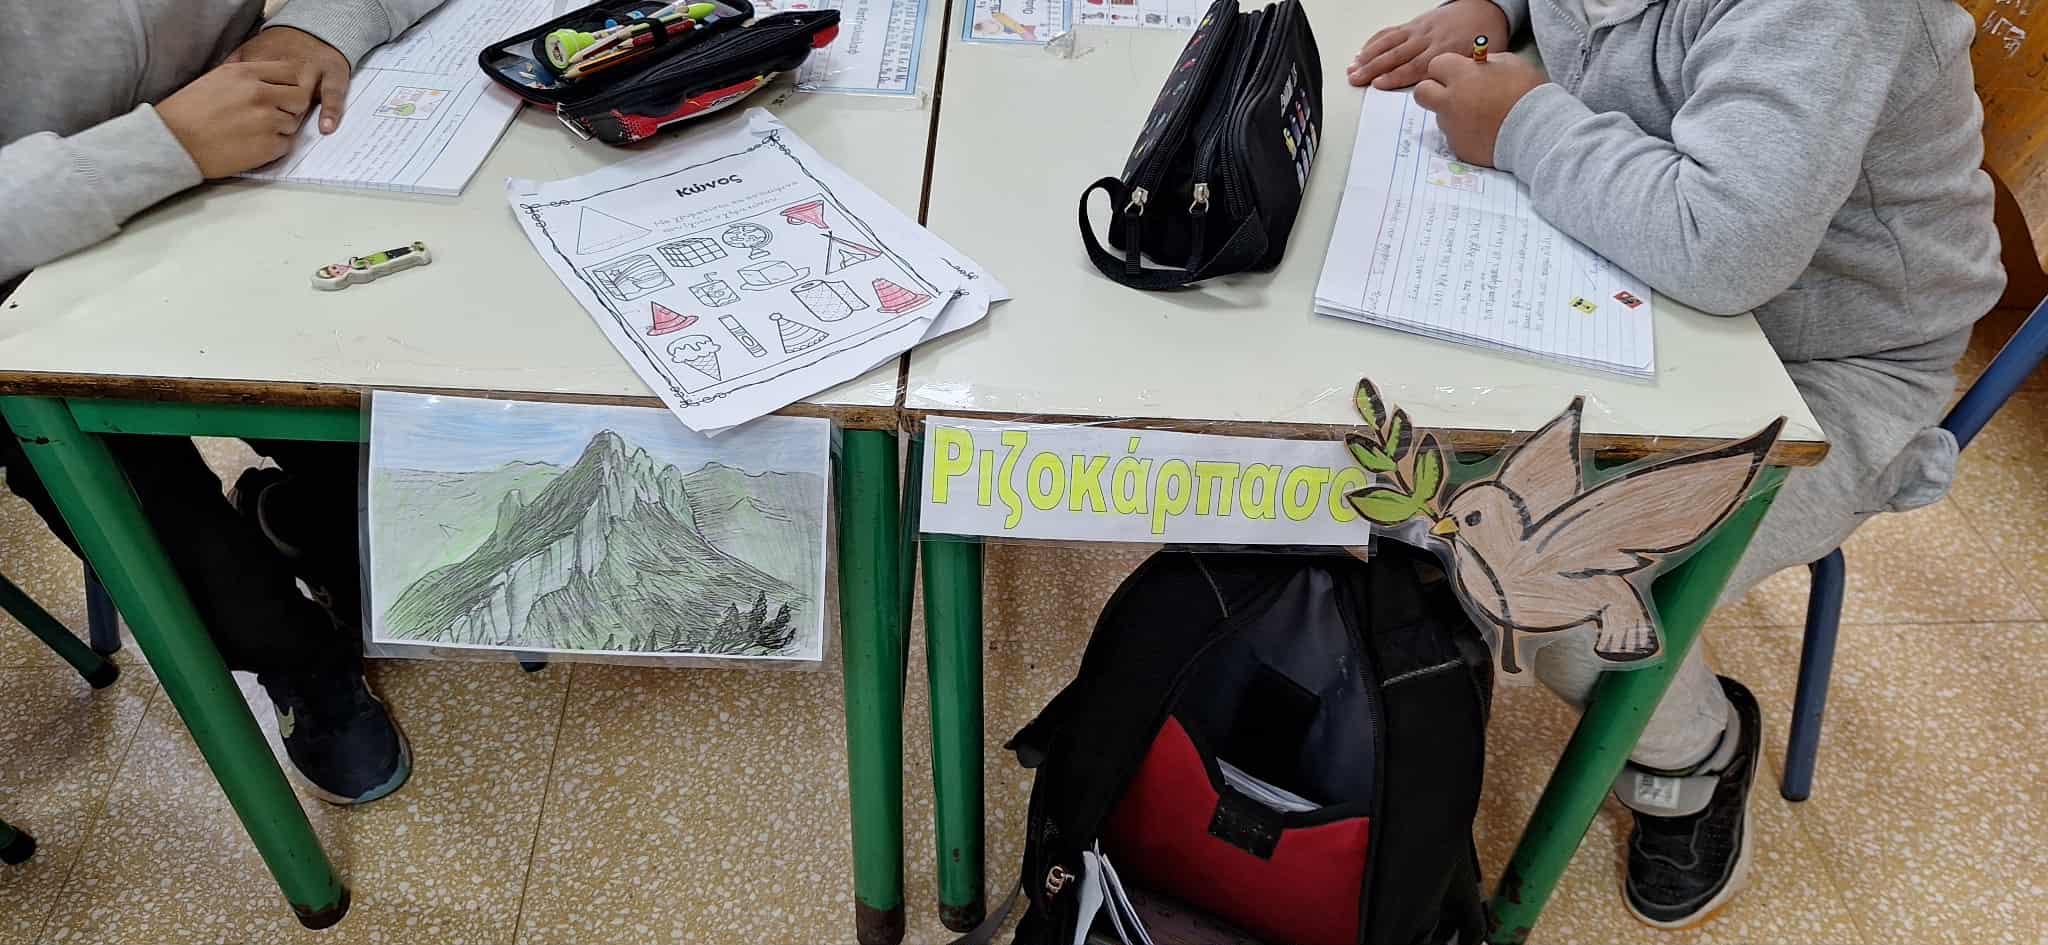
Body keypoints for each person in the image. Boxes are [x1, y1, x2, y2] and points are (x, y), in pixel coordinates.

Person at [1349, 0, 2004, 929]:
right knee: (1390, 466)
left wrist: (1526, 122)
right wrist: (1496, 10)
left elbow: (1722, 247)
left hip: (1828, 365)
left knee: (1566, 603)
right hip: (1642, 284)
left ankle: (1697, 755)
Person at [0, 0, 447, 804]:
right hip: (23, 286)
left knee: (369, 397)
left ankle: (307, 518)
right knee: (149, 520)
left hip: (238, 178)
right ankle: (300, 661)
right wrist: (149, 150)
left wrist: (319, 26)